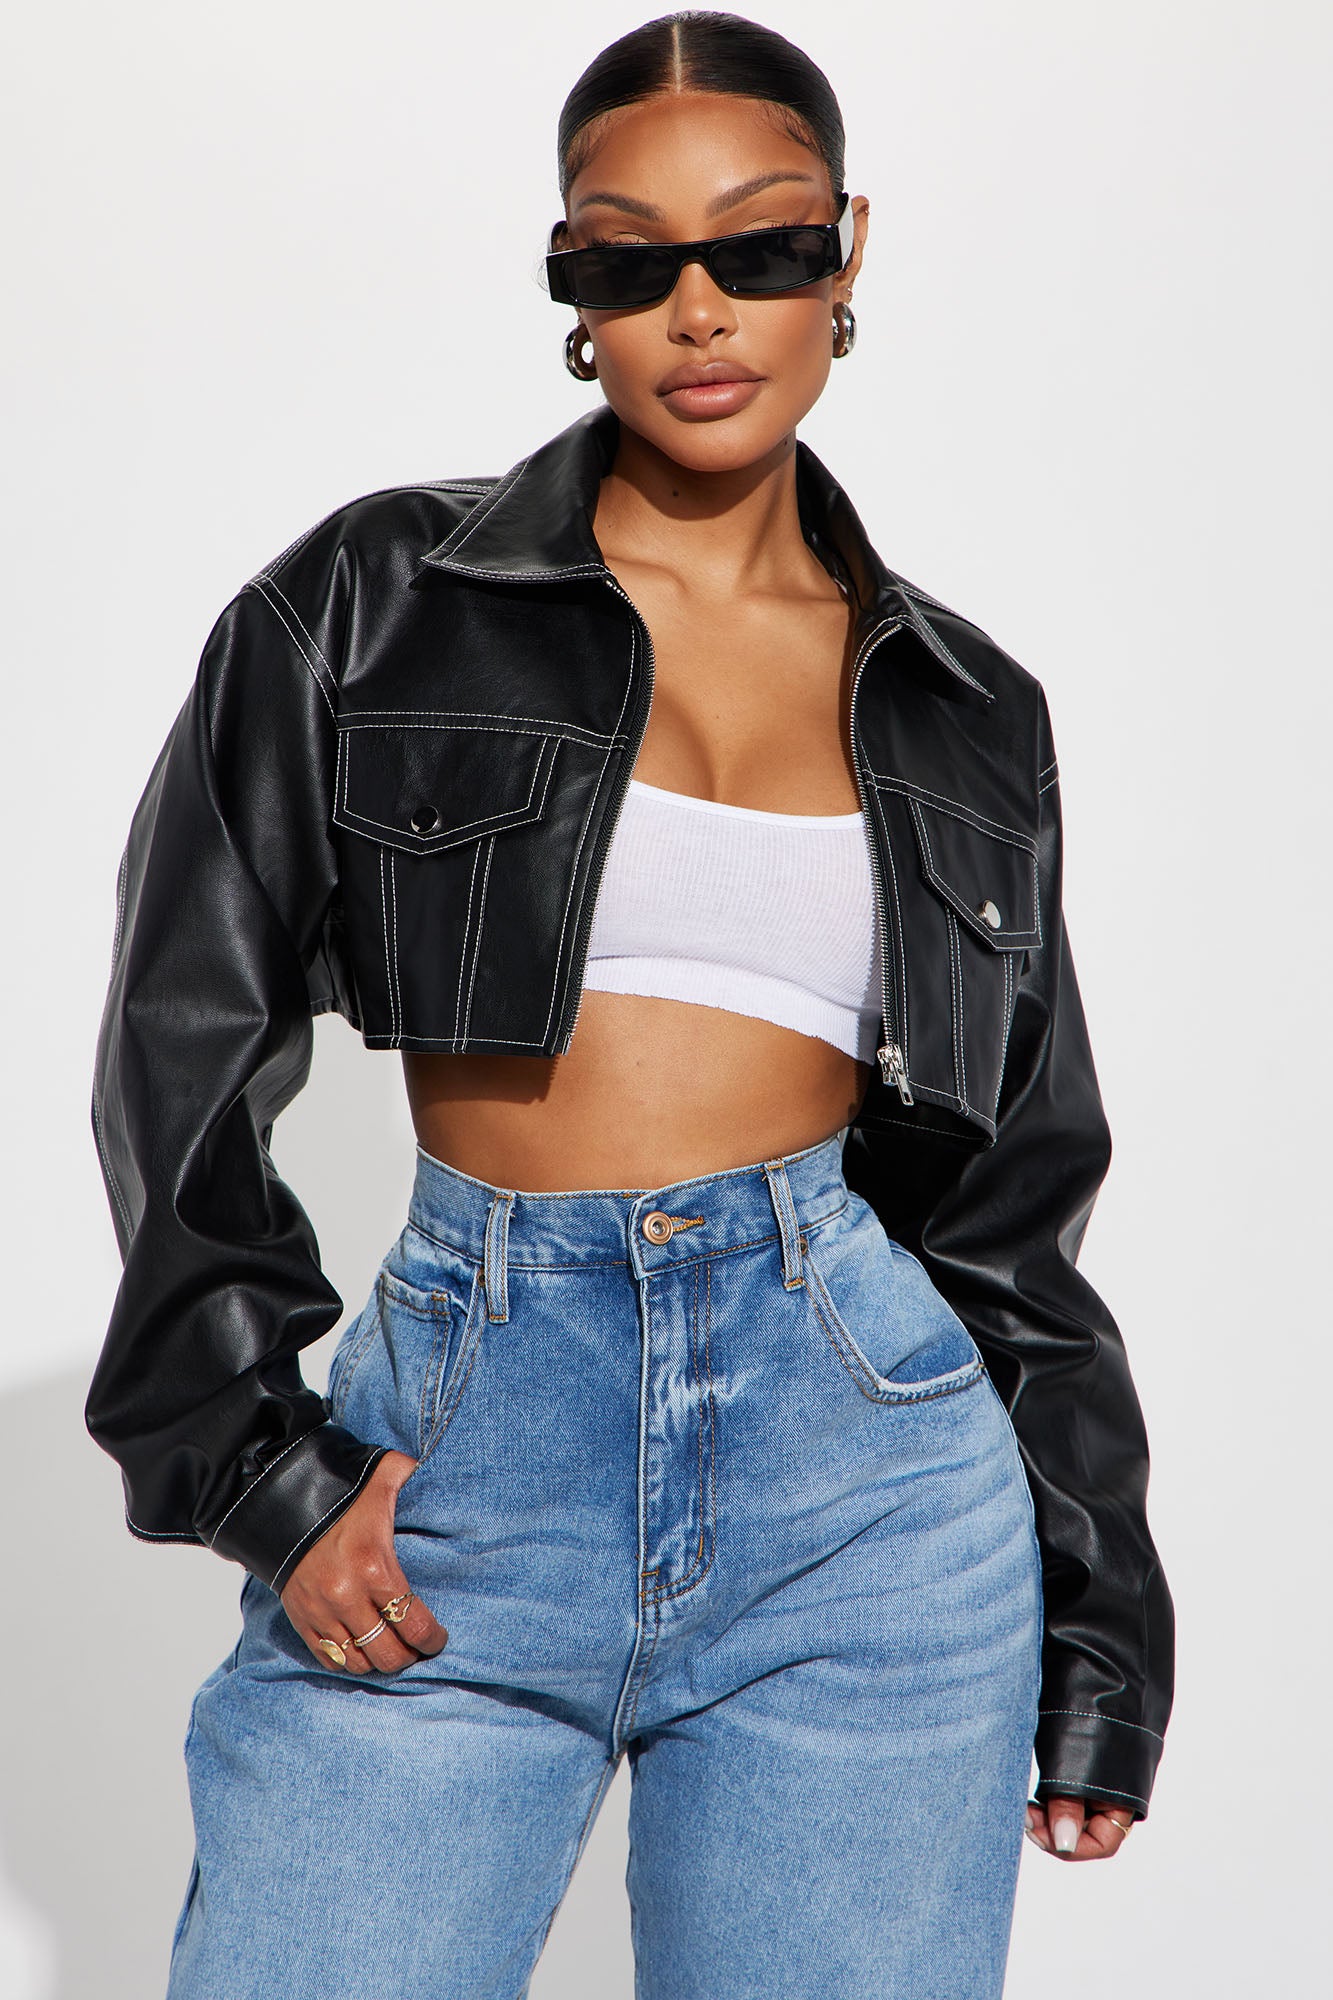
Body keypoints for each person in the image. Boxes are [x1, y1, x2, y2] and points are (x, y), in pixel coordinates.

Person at [87, 12, 1174, 1996]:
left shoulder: (965, 709)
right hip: (459, 1465)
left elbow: (1013, 1200)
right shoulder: (370, 599)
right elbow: (180, 1050)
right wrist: (254, 1464)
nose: (700, 307)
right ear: (569, 293)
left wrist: (1099, 1616)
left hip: (866, 1498)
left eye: (761, 245)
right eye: (625, 258)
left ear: (847, 253)